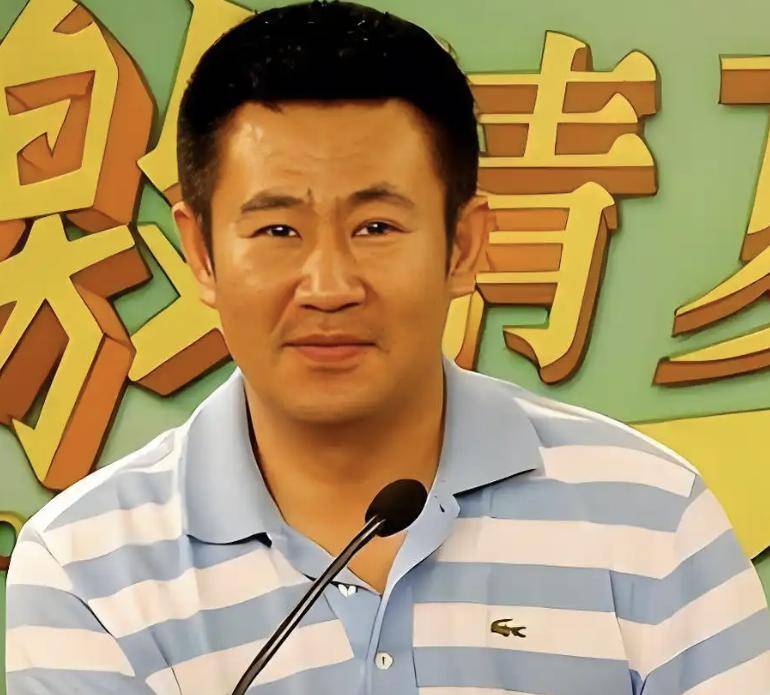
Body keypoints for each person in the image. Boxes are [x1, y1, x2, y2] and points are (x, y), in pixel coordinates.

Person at [6, 1, 770, 693]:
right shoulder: (85, 567)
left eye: (375, 226)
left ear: (463, 245)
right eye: (277, 229)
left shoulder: (650, 517)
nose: (328, 285)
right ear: (201, 254)